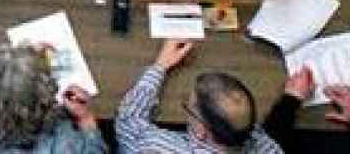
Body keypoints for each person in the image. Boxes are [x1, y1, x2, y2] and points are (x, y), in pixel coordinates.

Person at [0, 45, 105, 153]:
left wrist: (10, 67)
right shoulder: (63, 144)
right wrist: (86, 119)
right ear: (44, 106)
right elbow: (94, 150)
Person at [116, 40, 282, 153]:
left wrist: (160, 65)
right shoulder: (269, 148)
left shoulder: (157, 147)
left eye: (189, 105)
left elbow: (127, 123)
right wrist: (292, 97)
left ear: (202, 131)